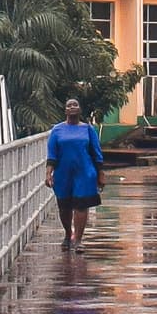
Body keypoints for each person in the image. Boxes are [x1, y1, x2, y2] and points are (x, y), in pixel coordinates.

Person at [45, 96, 103, 247]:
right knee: (64, 206)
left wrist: (100, 174)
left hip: (84, 172)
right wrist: (48, 173)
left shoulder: (88, 129)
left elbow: (96, 152)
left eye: (75, 105)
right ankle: (67, 234)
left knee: (81, 205)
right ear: (65, 110)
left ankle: (78, 239)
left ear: (79, 109)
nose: (72, 107)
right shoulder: (57, 130)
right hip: (63, 173)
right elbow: (52, 154)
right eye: (69, 105)